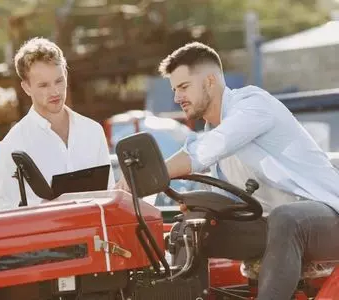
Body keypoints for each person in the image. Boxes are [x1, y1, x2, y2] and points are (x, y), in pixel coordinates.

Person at [115, 41, 339, 299]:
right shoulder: (212, 135)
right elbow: (220, 177)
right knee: (190, 229)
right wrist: (201, 207)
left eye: (184, 87)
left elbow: (203, 150)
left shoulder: (253, 105)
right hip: (271, 227)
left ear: (210, 81)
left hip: (328, 216)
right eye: (175, 89)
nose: (177, 97)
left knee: (286, 219)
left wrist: (149, 175)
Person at [0, 37, 114, 210]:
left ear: (65, 74)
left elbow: (108, 198)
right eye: (43, 85)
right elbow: (4, 213)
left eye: (59, 81)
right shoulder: (12, 146)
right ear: (26, 87)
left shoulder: (93, 132)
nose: (55, 91)